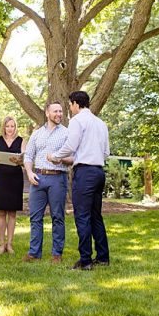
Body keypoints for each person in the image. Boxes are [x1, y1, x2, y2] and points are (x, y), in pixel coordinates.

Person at [48, 91, 110, 270]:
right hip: (99, 172)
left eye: (70, 105)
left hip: (84, 173)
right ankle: (103, 257)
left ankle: (85, 260)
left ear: (75, 103)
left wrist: (55, 157)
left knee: (82, 216)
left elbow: (70, 146)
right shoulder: (100, 123)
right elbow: (106, 152)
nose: (69, 108)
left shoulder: (77, 121)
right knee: (96, 216)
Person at [22, 101, 74, 264]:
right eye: (55, 111)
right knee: (35, 217)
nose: (59, 114)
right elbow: (29, 156)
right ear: (47, 113)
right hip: (37, 178)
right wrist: (29, 172)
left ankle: (56, 254)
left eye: (60, 111)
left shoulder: (67, 133)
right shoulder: (37, 134)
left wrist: (59, 159)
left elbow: (73, 158)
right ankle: (34, 253)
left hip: (57, 178)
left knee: (57, 216)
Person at [0, 116, 26, 254]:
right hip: (1, 178)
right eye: (8, 126)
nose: (10, 129)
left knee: (12, 212)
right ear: (3, 127)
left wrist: (19, 161)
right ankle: (1, 244)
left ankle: (10, 244)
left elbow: (25, 160)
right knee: (1, 212)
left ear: (15, 127)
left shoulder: (21, 140)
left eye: (12, 126)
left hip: (15, 178)